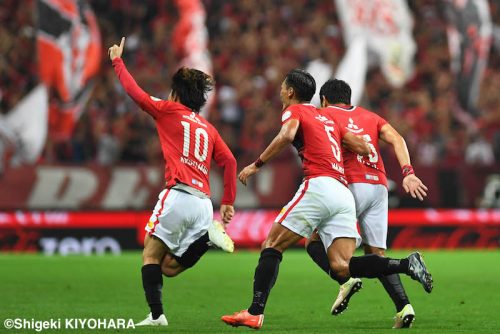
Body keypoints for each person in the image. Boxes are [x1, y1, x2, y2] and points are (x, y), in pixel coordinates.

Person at [220, 69, 433, 330]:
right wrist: (392, 163)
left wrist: (256, 165)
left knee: (274, 243)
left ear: (291, 92)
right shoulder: (340, 118)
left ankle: (255, 311)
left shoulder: (300, 111)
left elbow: (287, 135)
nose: (279, 92)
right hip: (351, 190)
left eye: (282, 88)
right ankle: (405, 266)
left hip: (324, 185)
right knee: (344, 265)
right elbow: (362, 144)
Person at [109, 37, 237, 326]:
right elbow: (229, 162)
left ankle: (156, 317)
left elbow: (136, 93)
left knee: (150, 255)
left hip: (178, 195)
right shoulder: (208, 127)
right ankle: (206, 237)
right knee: (169, 268)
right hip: (204, 205)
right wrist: (227, 201)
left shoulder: (168, 110)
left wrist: (117, 61)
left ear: (176, 94)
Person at [305, 78, 429, 328]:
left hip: (350, 186)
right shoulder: (371, 116)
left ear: (325, 99)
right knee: (376, 254)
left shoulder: (324, 114)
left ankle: (346, 281)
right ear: (350, 99)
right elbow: (398, 139)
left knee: (313, 242)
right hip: (379, 186)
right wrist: (408, 172)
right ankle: (404, 307)